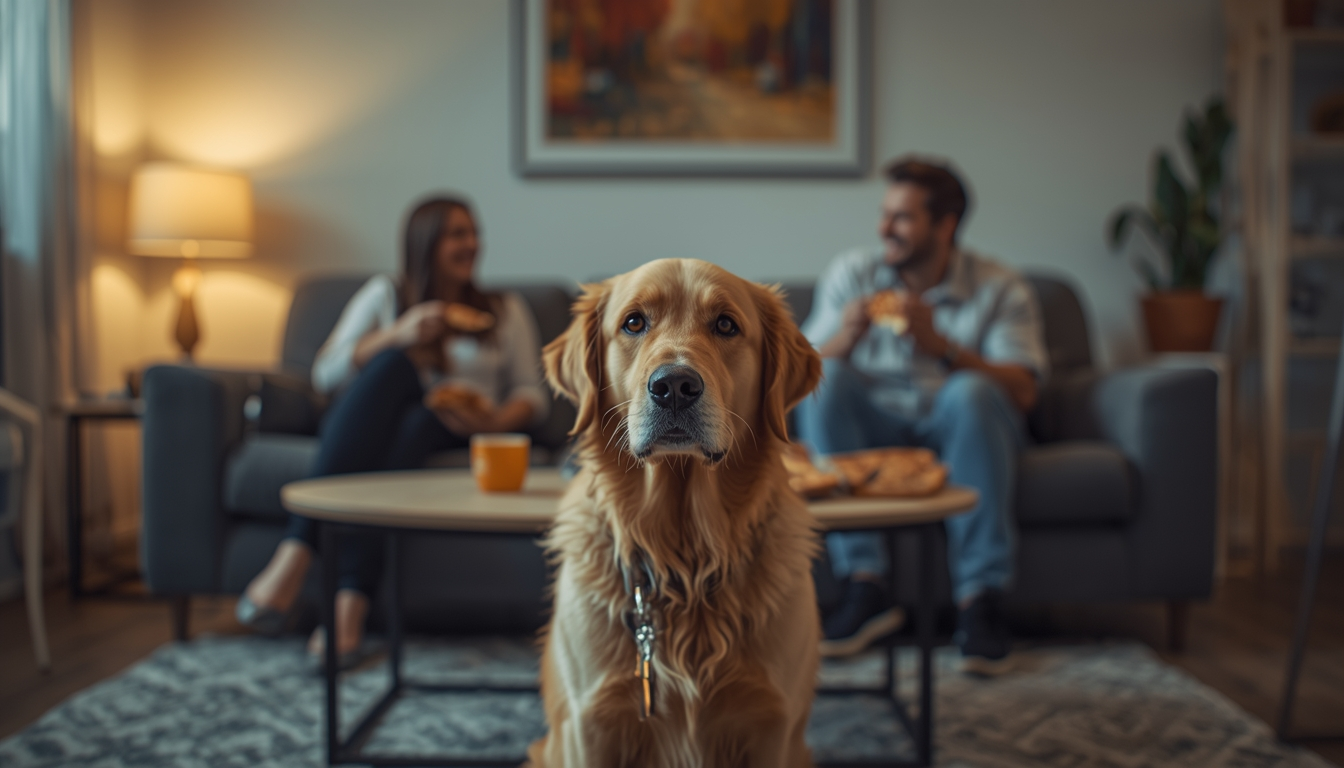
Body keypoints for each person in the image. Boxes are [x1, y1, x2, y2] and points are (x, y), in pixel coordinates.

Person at [234, 195, 549, 665]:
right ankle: (346, 601)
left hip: (459, 428)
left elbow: (533, 390)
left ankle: (300, 554)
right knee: (396, 371)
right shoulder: (386, 295)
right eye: (457, 234)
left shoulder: (504, 311)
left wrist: (496, 422)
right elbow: (325, 374)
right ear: (425, 243)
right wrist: (398, 335)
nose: (472, 244)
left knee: (425, 413)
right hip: (377, 425)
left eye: (473, 232)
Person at [797, 157, 1047, 675]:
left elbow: (1024, 390)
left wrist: (942, 348)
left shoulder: (1001, 287)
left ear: (945, 225)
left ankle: (981, 601)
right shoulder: (853, 274)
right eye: (885, 214)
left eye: (902, 218)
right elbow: (794, 378)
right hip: (874, 432)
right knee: (829, 380)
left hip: (962, 431)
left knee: (971, 391)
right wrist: (846, 337)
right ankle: (865, 585)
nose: (884, 228)